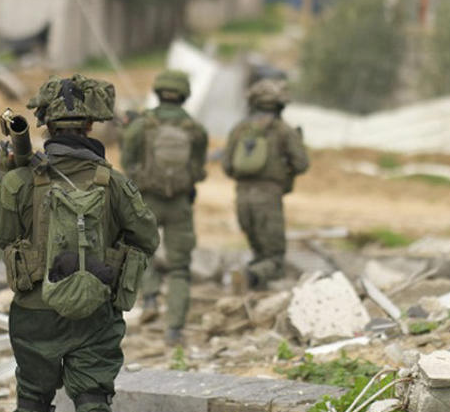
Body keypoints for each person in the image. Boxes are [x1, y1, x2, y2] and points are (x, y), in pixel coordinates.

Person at [0, 74, 158, 412]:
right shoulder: (113, 182)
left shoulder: (23, 179)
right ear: (92, 125)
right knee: (93, 405)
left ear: (44, 123)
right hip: (95, 313)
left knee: (32, 402)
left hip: (34, 312)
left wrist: (6, 174)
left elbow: (3, 233)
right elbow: (147, 237)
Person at [120, 70, 208, 347]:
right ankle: (174, 330)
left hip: (147, 201)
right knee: (180, 268)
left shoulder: (141, 125)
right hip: (180, 203)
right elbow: (198, 168)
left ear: (157, 92)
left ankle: (149, 299)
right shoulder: (195, 129)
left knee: (141, 253)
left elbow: (127, 161)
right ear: (184, 95)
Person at [223, 77, 310, 289]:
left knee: (259, 252)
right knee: (275, 259)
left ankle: (252, 283)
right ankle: (250, 277)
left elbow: (227, 166)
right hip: (269, 199)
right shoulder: (283, 130)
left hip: (242, 198)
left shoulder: (239, 130)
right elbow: (302, 164)